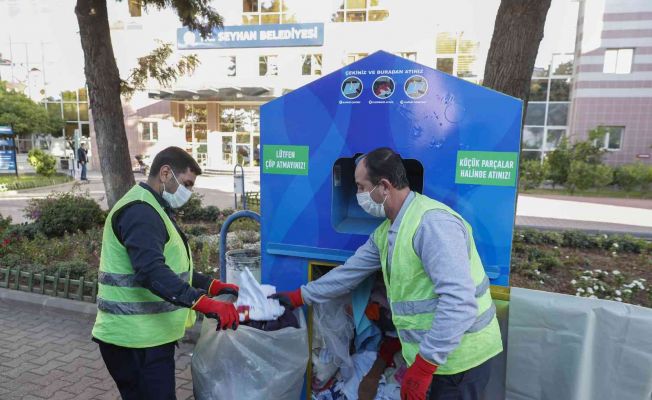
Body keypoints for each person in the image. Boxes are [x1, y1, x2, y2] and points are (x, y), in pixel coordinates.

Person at [272, 147, 503, 400]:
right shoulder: (389, 230)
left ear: (384, 186)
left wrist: (425, 364)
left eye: (361, 187)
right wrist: (299, 296)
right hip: (437, 357)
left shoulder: (432, 225)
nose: (358, 194)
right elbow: (349, 273)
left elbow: (459, 303)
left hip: (461, 360)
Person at [92, 146, 240, 400]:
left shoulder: (153, 207)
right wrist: (203, 303)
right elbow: (151, 272)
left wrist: (211, 285)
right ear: (165, 173)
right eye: (187, 183)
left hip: (145, 337)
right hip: (134, 341)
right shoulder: (140, 211)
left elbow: (171, 268)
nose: (189, 192)